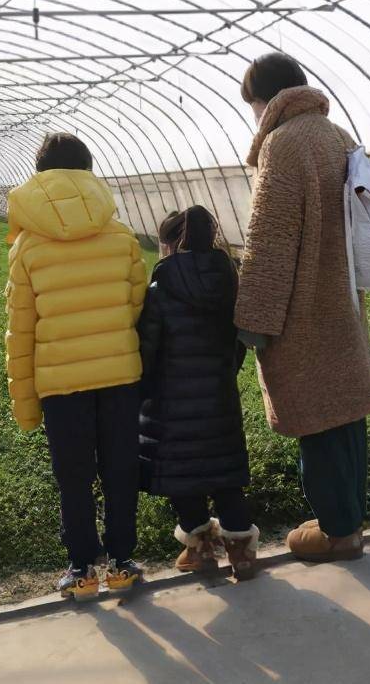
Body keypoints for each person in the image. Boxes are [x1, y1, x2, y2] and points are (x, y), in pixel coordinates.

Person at [235, 52, 370, 563]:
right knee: (345, 415)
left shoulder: (282, 143)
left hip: (305, 308)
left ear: (264, 100)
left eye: (252, 104)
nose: (253, 115)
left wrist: (253, 321)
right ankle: (348, 521)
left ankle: (340, 534)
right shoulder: (337, 135)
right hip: (342, 298)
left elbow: (269, 240)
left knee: (316, 420)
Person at [4, 132, 147, 601]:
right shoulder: (122, 236)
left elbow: (21, 330)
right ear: (88, 171)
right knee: (121, 468)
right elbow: (136, 308)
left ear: (41, 176)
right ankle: (123, 563)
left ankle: (82, 570)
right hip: (120, 376)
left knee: (74, 474)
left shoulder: (26, 246)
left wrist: (25, 404)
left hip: (61, 384)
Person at [138, 207, 259, 581]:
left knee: (184, 478)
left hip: (171, 406)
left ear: (170, 244)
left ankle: (200, 550)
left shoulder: (159, 291)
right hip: (219, 400)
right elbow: (238, 342)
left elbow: (146, 351)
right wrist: (221, 376)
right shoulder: (229, 283)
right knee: (226, 477)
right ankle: (242, 553)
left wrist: (144, 392)